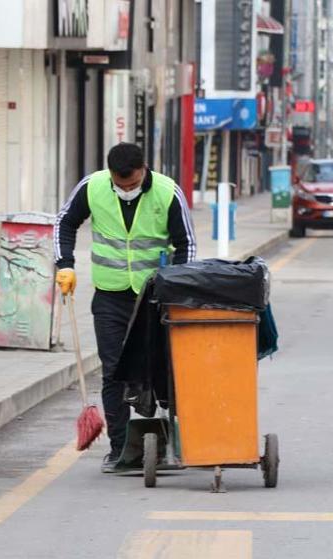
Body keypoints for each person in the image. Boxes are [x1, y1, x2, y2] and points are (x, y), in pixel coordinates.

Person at [53, 143, 197, 473]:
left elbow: (185, 244)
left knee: (164, 368)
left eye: (132, 184)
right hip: (110, 296)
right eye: (121, 185)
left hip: (154, 297)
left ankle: (175, 442)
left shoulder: (166, 192)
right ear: (111, 175)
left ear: (143, 170)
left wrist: (175, 286)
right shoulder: (93, 187)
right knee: (113, 370)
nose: (127, 190)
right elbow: (65, 222)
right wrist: (65, 264)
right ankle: (120, 450)